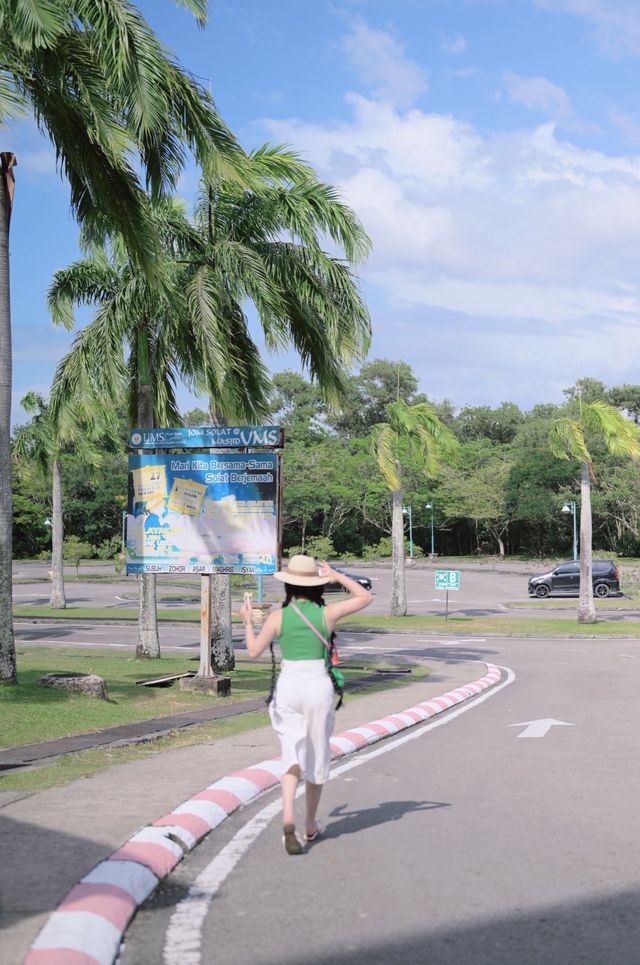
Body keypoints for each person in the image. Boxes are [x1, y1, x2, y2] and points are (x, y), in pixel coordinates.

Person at [239, 555, 373, 855]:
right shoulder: (326, 613)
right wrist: (337, 575)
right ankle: (310, 824)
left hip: (289, 684)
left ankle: (287, 818)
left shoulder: (278, 616)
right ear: (317, 586)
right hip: (317, 685)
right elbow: (365, 597)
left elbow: (252, 652)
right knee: (316, 754)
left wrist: (247, 622)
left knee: (291, 754)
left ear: (289, 585)